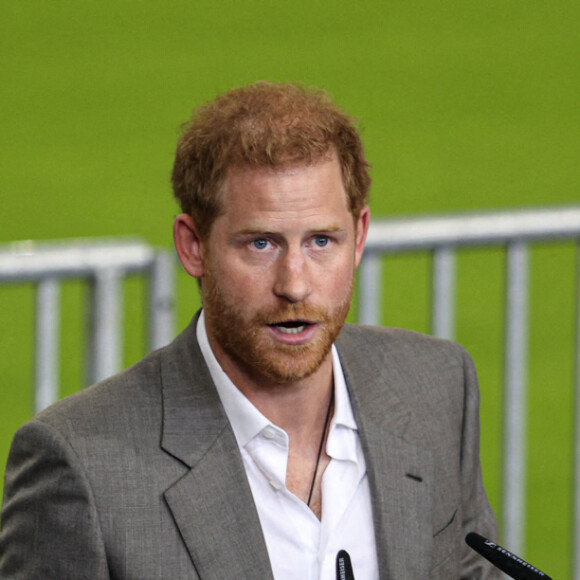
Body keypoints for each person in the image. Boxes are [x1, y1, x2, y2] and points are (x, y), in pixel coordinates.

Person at [0, 82, 500, 579]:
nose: (295, 285)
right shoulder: (81, 466)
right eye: (261, 244)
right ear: (193, 246)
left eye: (322, 241)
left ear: (360, 236)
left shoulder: (437, 387)